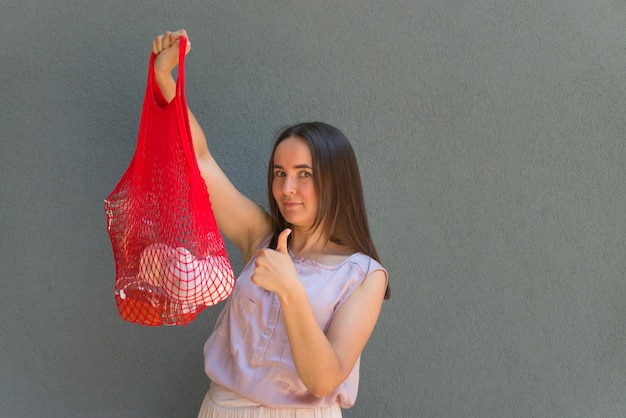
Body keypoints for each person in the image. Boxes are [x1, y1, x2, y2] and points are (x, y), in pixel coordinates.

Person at [151, 29, 390, 418]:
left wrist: (290, 289)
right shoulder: (261, 235)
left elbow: (324, 379)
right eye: (280, 173)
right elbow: (200, 160)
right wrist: (166, 80)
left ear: (336, 181)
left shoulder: (364, 275)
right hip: (222, 409)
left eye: (304, 174)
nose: (287, 188)